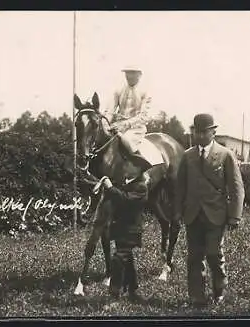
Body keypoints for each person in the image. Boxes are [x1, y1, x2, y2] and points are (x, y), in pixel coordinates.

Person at [174, 113, 245, 307]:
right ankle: (196, 296)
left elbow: (236, 186)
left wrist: (235, 216)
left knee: (214, 254)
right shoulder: (188, 156)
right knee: (194, 257)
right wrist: (178, 212)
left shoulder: (225, 154)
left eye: (205, 131)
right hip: (193, 215)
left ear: (213, 132)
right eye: (197, 131)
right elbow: (180, 187)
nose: (200, 135)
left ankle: (219, 291)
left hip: (216, 215)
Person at [97, 171, 150, 304]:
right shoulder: (126, 182)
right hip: (121, 228)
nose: (126, 166)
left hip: (131, 229)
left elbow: (124, 200)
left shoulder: (141, 186)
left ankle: (114, 296)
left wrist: (110, 188)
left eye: (130, 163)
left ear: (138, 168)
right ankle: (132, 290)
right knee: (127, 258)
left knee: (119, 258)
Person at [103, 66, 153, 171]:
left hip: (136, 128)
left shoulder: (145, 92)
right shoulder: (118, 90)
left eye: (132, 73)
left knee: (126, 140)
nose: (129, 76)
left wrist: (125, 124)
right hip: (117, 127)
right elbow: (110, 111)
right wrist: (105, 124)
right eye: (127, 73)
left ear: (139, 75)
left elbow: (144, 116)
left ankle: (139, 168)